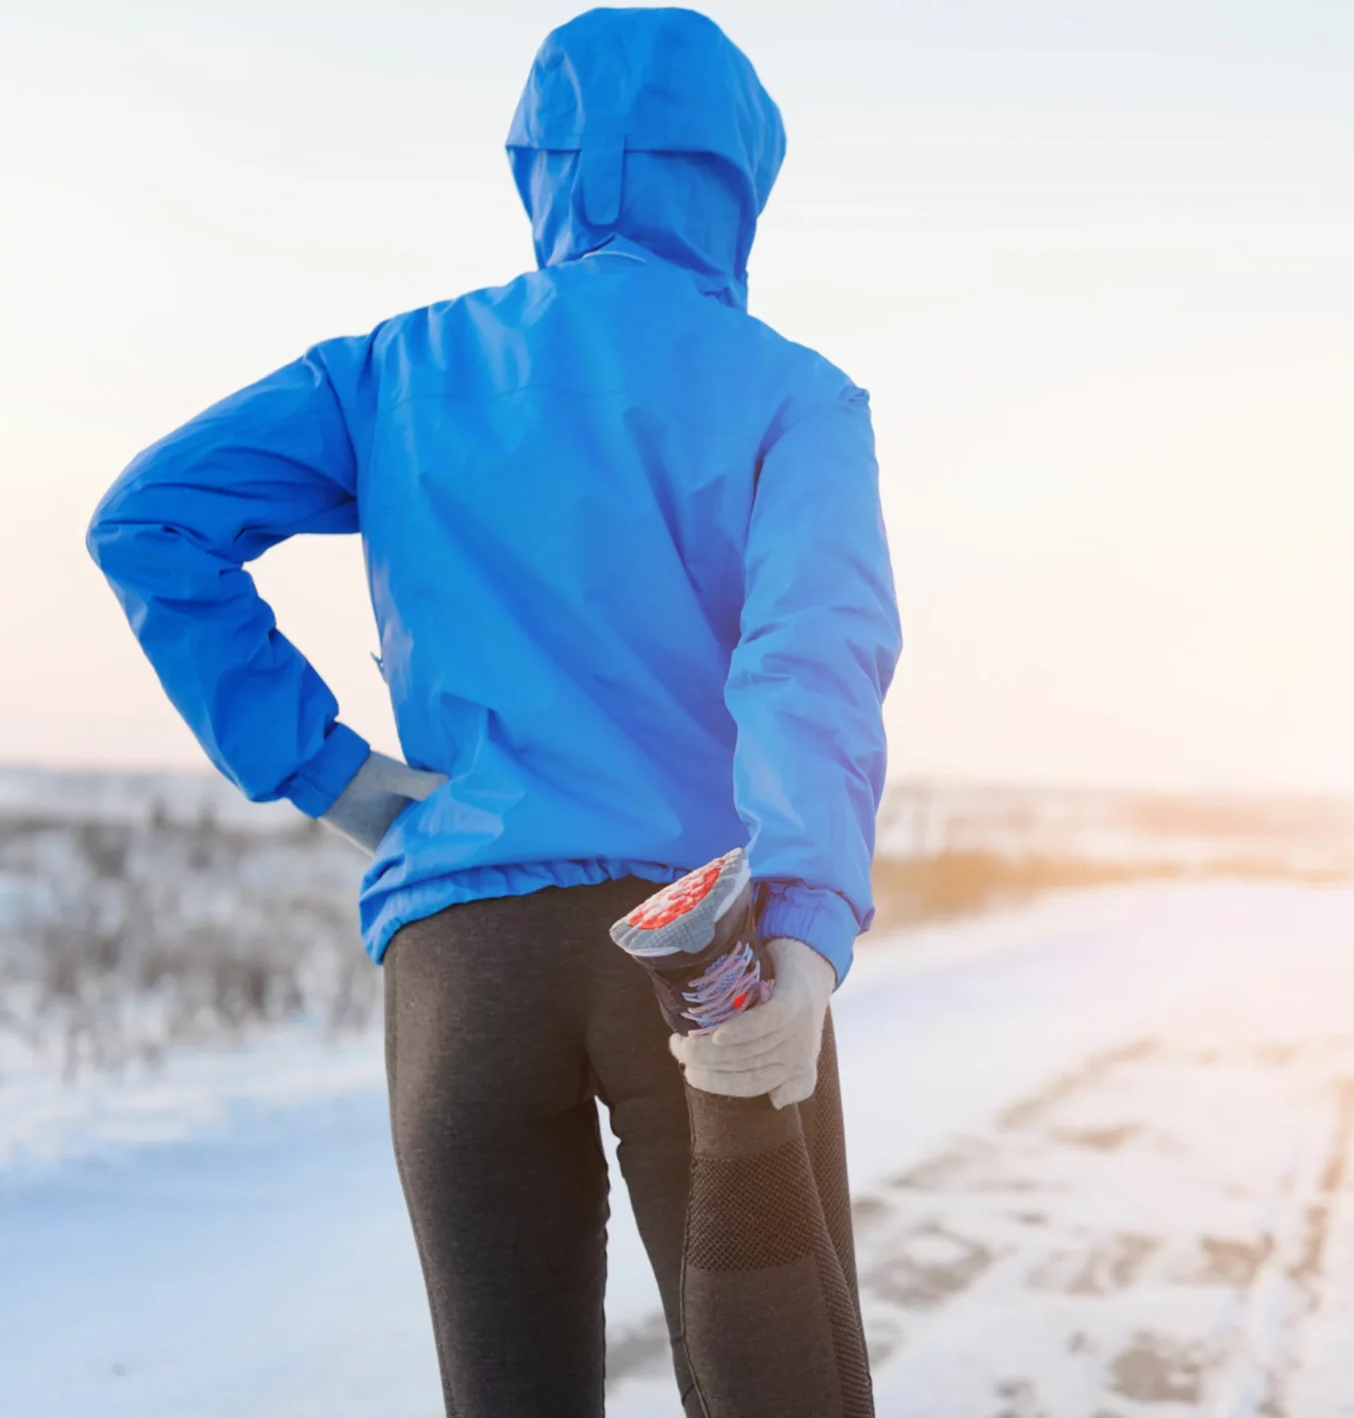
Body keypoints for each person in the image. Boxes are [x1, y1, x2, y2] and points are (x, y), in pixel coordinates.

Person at [84, 9, 897, 1415]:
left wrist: (328, 772)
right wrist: (811, 929)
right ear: (741, 175)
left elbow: (148, 519)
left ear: (540, 166)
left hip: (464, 966)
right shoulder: (794, 397)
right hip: (700, 958)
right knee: (789, 1394)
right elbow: (810, 657)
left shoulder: (397, 372)